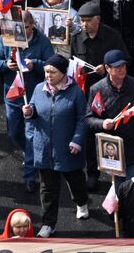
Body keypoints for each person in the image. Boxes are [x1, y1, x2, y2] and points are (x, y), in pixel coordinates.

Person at [23, 55, 89, 237]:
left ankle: (81, 202)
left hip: (67, 147)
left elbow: (81, 119)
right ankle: (48, 224)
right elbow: (35, 111)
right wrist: (30, 112)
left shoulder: (76, 92)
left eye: (52, 72)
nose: (48, 75)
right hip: (44, 148)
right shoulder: (38, 89)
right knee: (47, 187)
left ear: (63, 72)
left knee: (75, 179)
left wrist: (77, 140)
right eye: (46, 72)